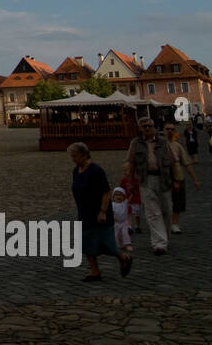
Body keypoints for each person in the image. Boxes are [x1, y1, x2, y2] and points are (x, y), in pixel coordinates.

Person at [68, 141, 132, 281]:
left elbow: (106, 192)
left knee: (106, 243)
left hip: (99, 212)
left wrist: (102, 211)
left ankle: (123, 258)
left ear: (85, 155)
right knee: (85, 242)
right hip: (84, 212)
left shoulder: (96, 170)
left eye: (76, 156)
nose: (73, 159)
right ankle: (95, 271)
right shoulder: (76, 171)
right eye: (72, 156)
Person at [126, 116, 175, 254]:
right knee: (152, 212)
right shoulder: (135, 143)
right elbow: (131, 163)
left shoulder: (163, 142)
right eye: (144, 126)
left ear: (154, 127)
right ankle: (159, 244)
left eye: (149, 126)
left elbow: (172, 162)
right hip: (146, 179)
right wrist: (130, 182)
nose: (147, 128)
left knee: (167, 211)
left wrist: (177, 180)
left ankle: (164, 237)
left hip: (164, 179)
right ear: (140, 128)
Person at [165, 121, 201, 233]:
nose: (170, 131)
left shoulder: (177, 146)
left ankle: (175, 224)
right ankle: (166, 222)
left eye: (172, 129)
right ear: (163, 131)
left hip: (179, 177)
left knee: (178, 202)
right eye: (167, 129)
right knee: (165, 202)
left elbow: (187, 164)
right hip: (165, 178)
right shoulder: (159, 145)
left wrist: (195, 180)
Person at [111, 185, 132, 253]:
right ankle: (119, 245)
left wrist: (131, 192)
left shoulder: (125, 202)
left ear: (124, 196)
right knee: (117, 234)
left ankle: (127, 244)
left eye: (120, 195)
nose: (118, 197)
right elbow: (111, 213)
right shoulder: (112, 204)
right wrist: (113, 217)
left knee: (125, 233)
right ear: (113, 197)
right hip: (116, 222)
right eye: (116, 195)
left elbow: (130, 198)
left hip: (124, 222)